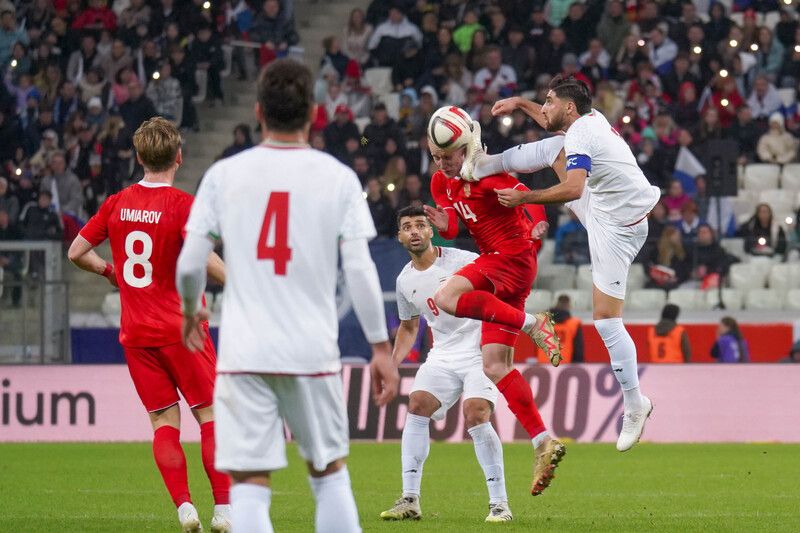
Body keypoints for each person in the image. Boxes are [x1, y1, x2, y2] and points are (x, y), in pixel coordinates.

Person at [175, 59, 399, 533]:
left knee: (250, 483)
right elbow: (358, 267)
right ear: (314, 114)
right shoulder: (337, 177)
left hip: (244, 352)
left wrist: (191, 309)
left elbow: (192, 262)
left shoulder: (223, 175)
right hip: (311, 351)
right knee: (328, 472)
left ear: (257, 112)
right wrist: (380, 346)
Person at [465, 75, 661, 452]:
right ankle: (484, 165)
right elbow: (552, 127)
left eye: (550, 101)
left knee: (606, 320)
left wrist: (523, 200)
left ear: (569, 108)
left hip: (617, 230)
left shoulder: (583, 135)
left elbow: (573, 188)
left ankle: (635, 403)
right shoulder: (585, 122)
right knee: (553, 148)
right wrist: (521, 103)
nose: (546, 107)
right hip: (607, 208)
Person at [66, 117, 231, 533]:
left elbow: (75, 252)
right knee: (211, 416)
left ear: (138, 157)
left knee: (163, 422)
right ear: (179, 156)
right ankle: (224, 512)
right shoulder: (183, 205)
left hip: (136, 333)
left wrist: (110, 272)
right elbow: (202, 261)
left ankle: (184, 509)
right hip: (182, 329)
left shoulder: (117, 202)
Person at [423, 106, 566, 496]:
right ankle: (543, 441)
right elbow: (455, 225)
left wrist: (537, 216)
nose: (443, 163)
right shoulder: (443, 183)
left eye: (448, 155)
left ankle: (534, 325)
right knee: (495, 366)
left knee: (446, 296)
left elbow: (527, 195)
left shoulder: (487, 176)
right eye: (437, 156)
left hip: (509, 259)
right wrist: (442, 226)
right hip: (507, 271)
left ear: (466, 146)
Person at [381, 206, 512, 523]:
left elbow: (503, 286)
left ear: (430, 231)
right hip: (443, 352)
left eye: (420, 225)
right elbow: (410, 327)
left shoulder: (462, 261)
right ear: (399, 236)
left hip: (481, 345)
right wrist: (391, 364)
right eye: (407, 226)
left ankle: (499, 504)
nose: (414, 231)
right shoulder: (404, 281)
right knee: (417, 404)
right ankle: (409, 499)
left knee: (476, 412)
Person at [536, 294, 583, 364]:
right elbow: (578, 351)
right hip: (564, 368)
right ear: (568, 305)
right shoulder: (574, 324)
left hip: (543, 366)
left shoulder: (542, 322)